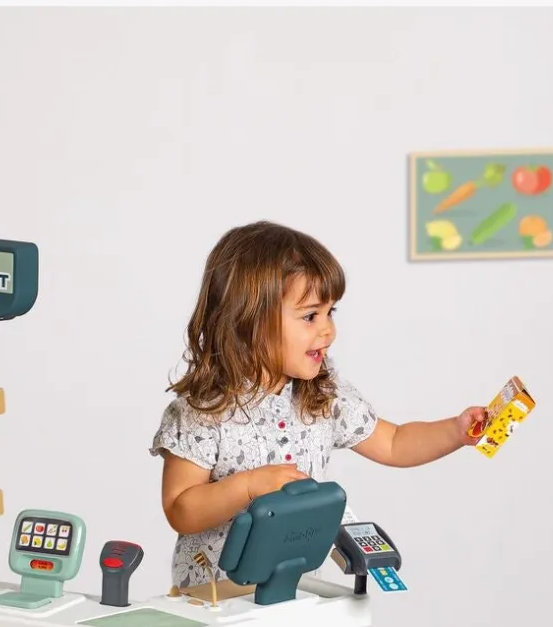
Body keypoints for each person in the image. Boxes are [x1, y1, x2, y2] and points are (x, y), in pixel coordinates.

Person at [151, 220, 489, 592]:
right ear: (249, 321)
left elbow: (394, 443)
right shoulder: (202, 412)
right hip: (214, 599)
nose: (328, 330)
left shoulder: (324, 397)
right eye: (311, 316)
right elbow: (181, 508)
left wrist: (455, 431)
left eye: (331, 313)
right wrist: (246, 486)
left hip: (293, 592)